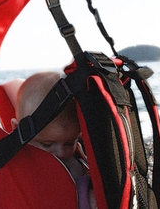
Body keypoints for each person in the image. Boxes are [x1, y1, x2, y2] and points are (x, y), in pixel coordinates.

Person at [11, 71, 97, 209]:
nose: (61, 152)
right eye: (47, 144)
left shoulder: (74, 152)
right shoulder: (27, 169)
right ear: (18, 131)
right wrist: (87, 198)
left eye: (70, 142)